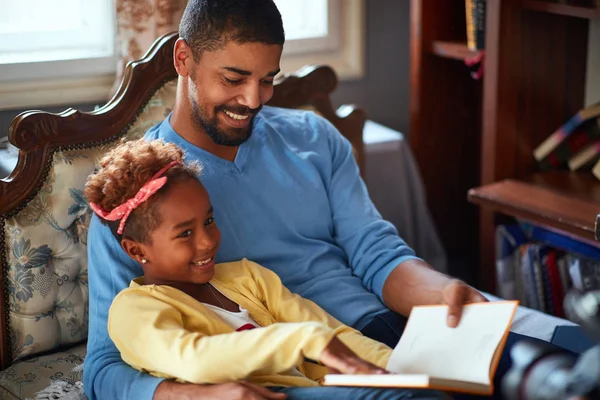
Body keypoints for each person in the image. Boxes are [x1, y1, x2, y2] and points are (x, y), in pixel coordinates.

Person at [83, 1, 564, 399]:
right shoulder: (142, 201)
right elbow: (103, 368)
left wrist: (440, 294)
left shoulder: (313, 136)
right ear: (183, 59)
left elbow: (377, 255)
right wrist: (195, 394)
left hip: (383, 326)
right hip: (298, 366)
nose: (253, 100)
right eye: (233, 79)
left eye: (267, 78)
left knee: (549, 364)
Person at [84, 138, 450, 400]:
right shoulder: (133, 309)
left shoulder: (248, 277)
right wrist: (304, 340)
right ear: (136, 250)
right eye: (185, 233)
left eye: (209, 221)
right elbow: (194, 360)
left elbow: (330, 332)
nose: (208, 241)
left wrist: (400, 368)